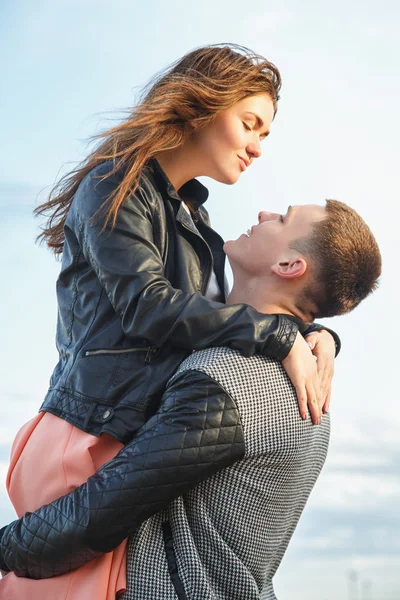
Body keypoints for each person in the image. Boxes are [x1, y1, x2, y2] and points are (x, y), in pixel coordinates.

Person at [0, 44, 339, 599]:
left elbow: (216, 322)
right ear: (203, 106)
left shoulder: (195, 221)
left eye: (265, 134)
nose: (257, 147)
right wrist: (279, 336)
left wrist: (317, 334)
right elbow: (150, 307)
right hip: (84, 433)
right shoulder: (117, 185)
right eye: (250, 124)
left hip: (119, 431)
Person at [0, 200, 381, 600]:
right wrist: (322, 335)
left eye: (283, 219)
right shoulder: (298, 369)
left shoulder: (231, 377)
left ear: (289, 266)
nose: (264, 214)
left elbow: (98, 515)